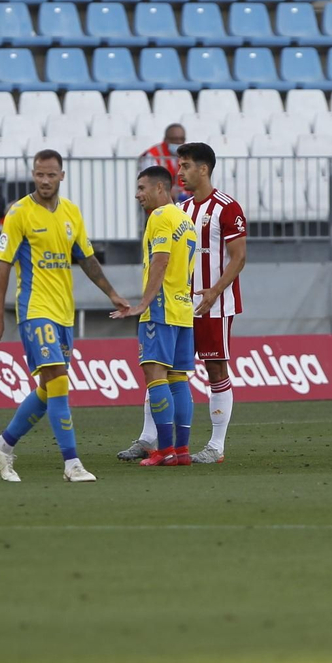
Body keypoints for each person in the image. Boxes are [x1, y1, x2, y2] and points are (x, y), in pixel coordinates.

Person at [0, 149, 130, 484]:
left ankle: (3, 445)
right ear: (32, 174)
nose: (45, 180)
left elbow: (87, 258)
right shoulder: (19, 213)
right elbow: (3, 266)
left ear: (62, 176)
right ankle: (72, 463)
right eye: (39, 174)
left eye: (51, 174)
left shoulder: (71, 213)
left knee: (48, 388)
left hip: (64, 312)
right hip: (35, 309)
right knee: (59, 380)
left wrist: (111, 293)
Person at [112, 166, 199, 466]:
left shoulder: (160, 217)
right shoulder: (186, 220)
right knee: (178, 378)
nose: (138, 194)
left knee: (155, 376)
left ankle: (165, 450)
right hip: (183, 310)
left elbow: (160, 261)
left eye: (142, 188)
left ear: (160, 188)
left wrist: (142, 304)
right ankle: (182, 450)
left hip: (161, 309)